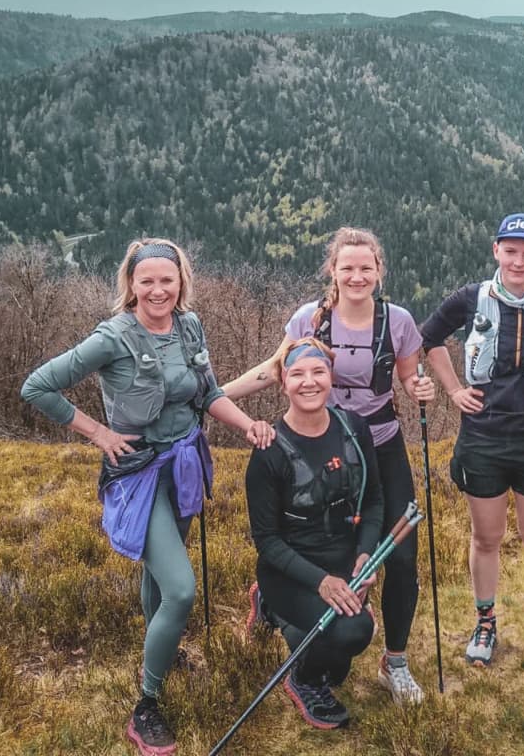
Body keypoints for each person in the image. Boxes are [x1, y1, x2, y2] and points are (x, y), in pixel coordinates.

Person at [21, 237, 273, 756]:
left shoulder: (190, 325)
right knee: (180, 589)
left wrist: (248, 426)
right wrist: (99, 433)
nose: (158, 290)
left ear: (181, 281)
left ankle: (161, 652)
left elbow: (208, 393)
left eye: (167, 279)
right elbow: (38, 386)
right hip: (138, 473)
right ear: (130, 285)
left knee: (157, 577)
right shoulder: (112, 337)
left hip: (181, 464)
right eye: (146, 281)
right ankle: (146, 704)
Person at [225, 227, 435, 703]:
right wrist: (216, 397)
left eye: (366, 267)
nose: (357, 276)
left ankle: (395, 663)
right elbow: (274, 369)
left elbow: (407, 378)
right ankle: (279, 601)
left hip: (379, 444)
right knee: (314, 535)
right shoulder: (309, 319)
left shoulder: (398, 321)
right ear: (333, 273)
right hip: (316, 443)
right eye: (347, 268)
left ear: (379, 271)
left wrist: (422, 389)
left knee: (400, 555)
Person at [420, 212, 524, 667]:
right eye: (511, 251)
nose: (519, 261)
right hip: (483, 438)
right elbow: (428, 340)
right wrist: (452, 390)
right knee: (486, 538)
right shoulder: (471, 299)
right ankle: (485, 624)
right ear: (496, 251)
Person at [244, 337, 385, 730]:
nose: (309, 382)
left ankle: (283, 621)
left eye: (318, 371)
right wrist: (321, 582)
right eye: (298, 374)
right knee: (352, 630)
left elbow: (373, 501)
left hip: (344, 564)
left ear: (331, 377)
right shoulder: (269, 449)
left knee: (340, 662)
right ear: (283, 382)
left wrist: (365, 555)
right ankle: (301, 679)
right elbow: (267, 541)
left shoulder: (354, 428)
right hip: (290, 571)